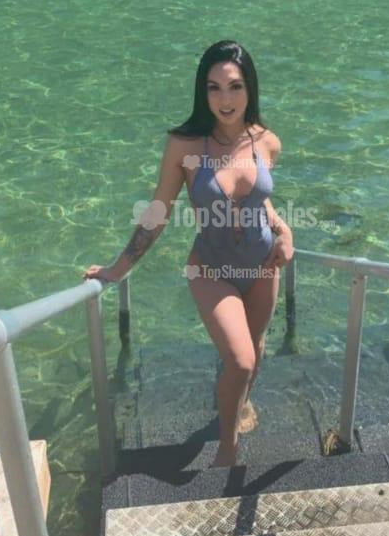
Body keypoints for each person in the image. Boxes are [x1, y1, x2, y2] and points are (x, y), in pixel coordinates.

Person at [83, 40, 294, 467]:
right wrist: (117, 268)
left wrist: (284, 230)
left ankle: (238, 402)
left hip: (262, 265)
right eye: (214, 88)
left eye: (234, 86)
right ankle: (227, 452)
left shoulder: (266, 141)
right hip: (211, 268)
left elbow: (259, 198)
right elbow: (158, 212)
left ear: (250, 88)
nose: (224, 99)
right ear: (202, 91)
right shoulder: (185, 145)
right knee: (240, 360)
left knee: (254, 351)